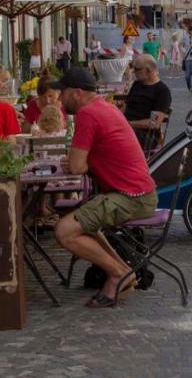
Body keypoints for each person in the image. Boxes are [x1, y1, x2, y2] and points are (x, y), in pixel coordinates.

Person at [52, 67, 158, 308]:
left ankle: (119, 273)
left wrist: (79, 160)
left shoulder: (88, 114)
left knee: (64, 231)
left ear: (77, 93)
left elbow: (77, 166)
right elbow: (83, 162)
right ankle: (122, 271)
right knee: (84, 224)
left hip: (132, 197)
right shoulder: (104, 107)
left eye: (63, 93)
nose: (59, 99)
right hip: (137, 193)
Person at [123, 55, 172, 150]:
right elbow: (125, 108)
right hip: (127, 129)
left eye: (137, 69)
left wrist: (128, 124)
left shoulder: (162, 91)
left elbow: (154, 123)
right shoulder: (137, 84)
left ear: (148, 70)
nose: (134, 72)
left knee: (116, 135)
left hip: (146, 135)